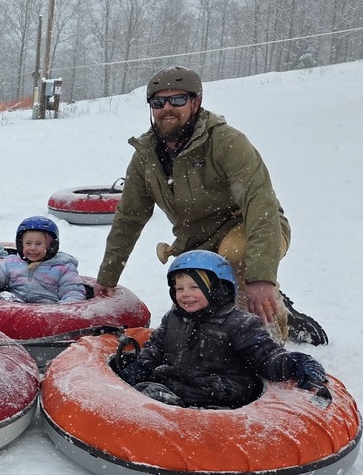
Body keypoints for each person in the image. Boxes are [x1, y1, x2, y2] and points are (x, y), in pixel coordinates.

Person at [93, 65, 326, 345]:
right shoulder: (146, 157)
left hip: (250, 227)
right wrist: (108, 276)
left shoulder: (226, 142)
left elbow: (259, 203)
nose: (167, 108)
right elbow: (129, 218)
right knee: (192, 311)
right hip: (198, 241)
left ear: (196, 102)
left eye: (177, 99)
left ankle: (266, 337)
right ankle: (260, 305)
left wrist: (261, 278)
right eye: (158, 102)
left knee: (236, 258)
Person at [114, 251, 329, 409]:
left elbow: (265, 357)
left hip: (216, 397)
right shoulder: (173, 319)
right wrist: (143, 365)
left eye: (194, 287)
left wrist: (294, 362)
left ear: (219, 290)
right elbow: (155, 347)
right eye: (179, 288)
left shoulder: (240, 325)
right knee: (140, 397)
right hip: (171, 389)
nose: (185, 294)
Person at [0, 216, 87, 304]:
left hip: (46, 311)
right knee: (4, 296)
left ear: (51, 246)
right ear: (21, 245)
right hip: (15, 308)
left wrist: (60, 311)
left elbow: (73, 292)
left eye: (39, 244)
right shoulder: (13, 263)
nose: (33, 248)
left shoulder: (63, 268)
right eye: (28, 243)